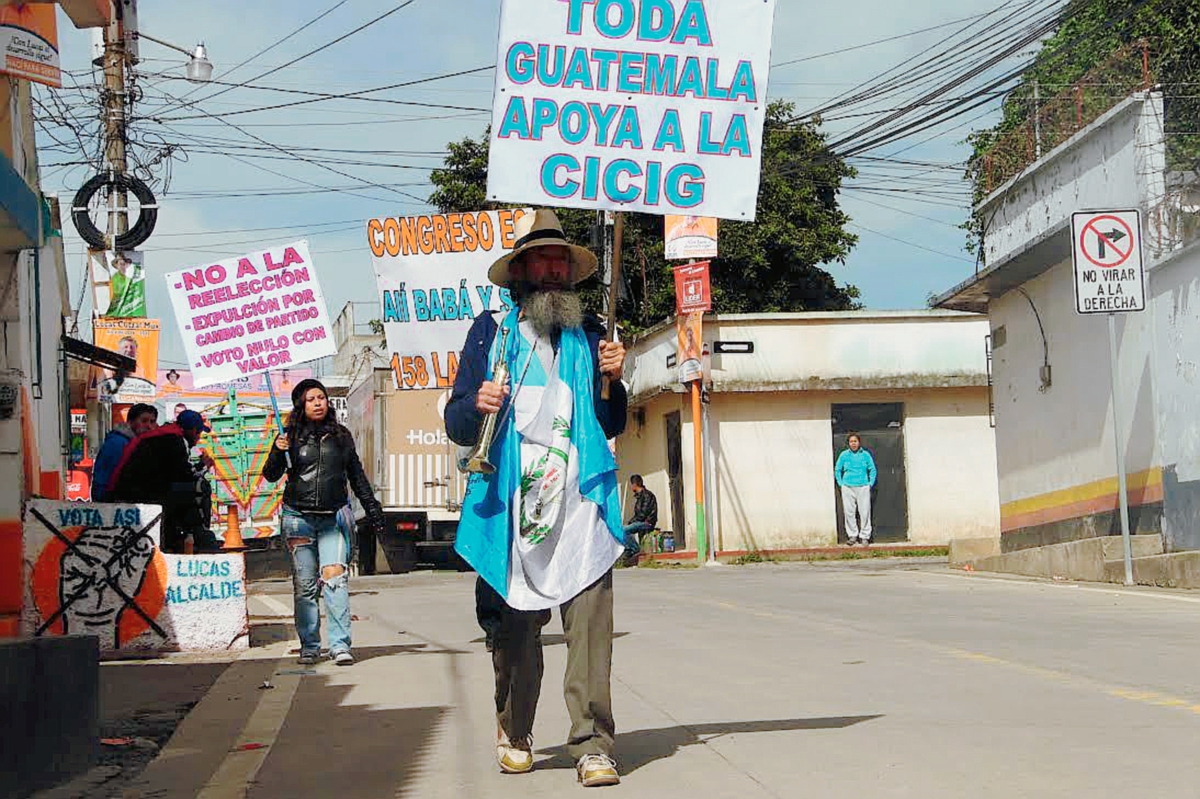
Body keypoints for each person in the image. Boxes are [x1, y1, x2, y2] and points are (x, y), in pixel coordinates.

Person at [446, 209, 629, 788]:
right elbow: (456, 421)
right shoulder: (490, 333)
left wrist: (615, 379)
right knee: (516, 633)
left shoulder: (591, 334)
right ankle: (515, 728)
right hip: (514, 505)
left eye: (561, 262)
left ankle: (593, 744)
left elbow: (611, 420)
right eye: (542, 261)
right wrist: (476, 402)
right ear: (521, 272)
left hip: (579, 503)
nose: (553, 271)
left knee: (591, 629)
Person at [262, 378, 385, 667]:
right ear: (300, 405)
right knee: (305, 587)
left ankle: (340, 645)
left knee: (335, 580)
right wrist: (277, 450)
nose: (318, 403)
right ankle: (310, 646)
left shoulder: (341, 436)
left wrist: (373, 510)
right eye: (310, 399)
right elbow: (270, 475)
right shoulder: (288, 437)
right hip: (298, 519)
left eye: (321, 397)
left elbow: (356, 476)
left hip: (333, 518)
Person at [108, 410, 221, 553]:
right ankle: (195, 536)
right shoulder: (175, 439)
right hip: (138, 493)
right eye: (198, 433)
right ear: (192, 430)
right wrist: (204, 466)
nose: (198, 437)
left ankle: (180, 537)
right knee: (197, 489)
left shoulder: (165, 435)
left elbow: (176, 471)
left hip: (131, 490)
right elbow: (184, 476)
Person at [91, 403, 158, 502]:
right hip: (111, 501)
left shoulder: (134, 442)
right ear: (130, 422)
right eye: (143, 421)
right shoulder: (118, 443)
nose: (148, 426)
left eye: (152, 422)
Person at [835, 433, 877, 546]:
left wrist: (870, 483)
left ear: (859, 442)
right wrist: (841, 483)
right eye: (851, 441)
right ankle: (852, 535)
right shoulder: (844, 455)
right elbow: (837, 469)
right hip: (848, 487)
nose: (853, 443)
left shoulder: (865, 455)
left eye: (855, 441)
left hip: (863, 486)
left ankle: (865, 536)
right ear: (848, 443)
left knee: (865, 512)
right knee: (849, 512)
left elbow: (872, 469)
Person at [623, 475, 658, 557]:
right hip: (641, 521)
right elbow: (639, 515)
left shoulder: (647, 495)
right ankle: (629, 550)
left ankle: (635, 549)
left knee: (624, 530)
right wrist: (631, 522)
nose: (631, 487)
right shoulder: (640, 496)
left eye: (631, 485)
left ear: (634, 485)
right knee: (623, 530)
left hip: (647, 522)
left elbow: (643, 514)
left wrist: (631, 522)